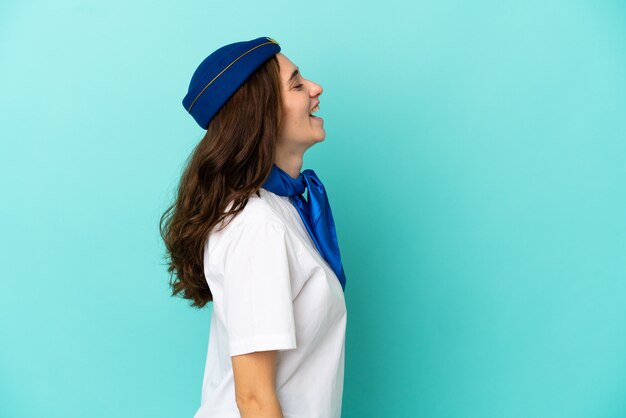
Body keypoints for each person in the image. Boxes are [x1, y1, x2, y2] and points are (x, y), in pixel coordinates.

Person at [159, 36, 348, 418]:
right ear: (261, 115)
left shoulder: (282, 211)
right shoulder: (257, 225)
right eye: (296, 84)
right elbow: (254, 398)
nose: (315, 88)